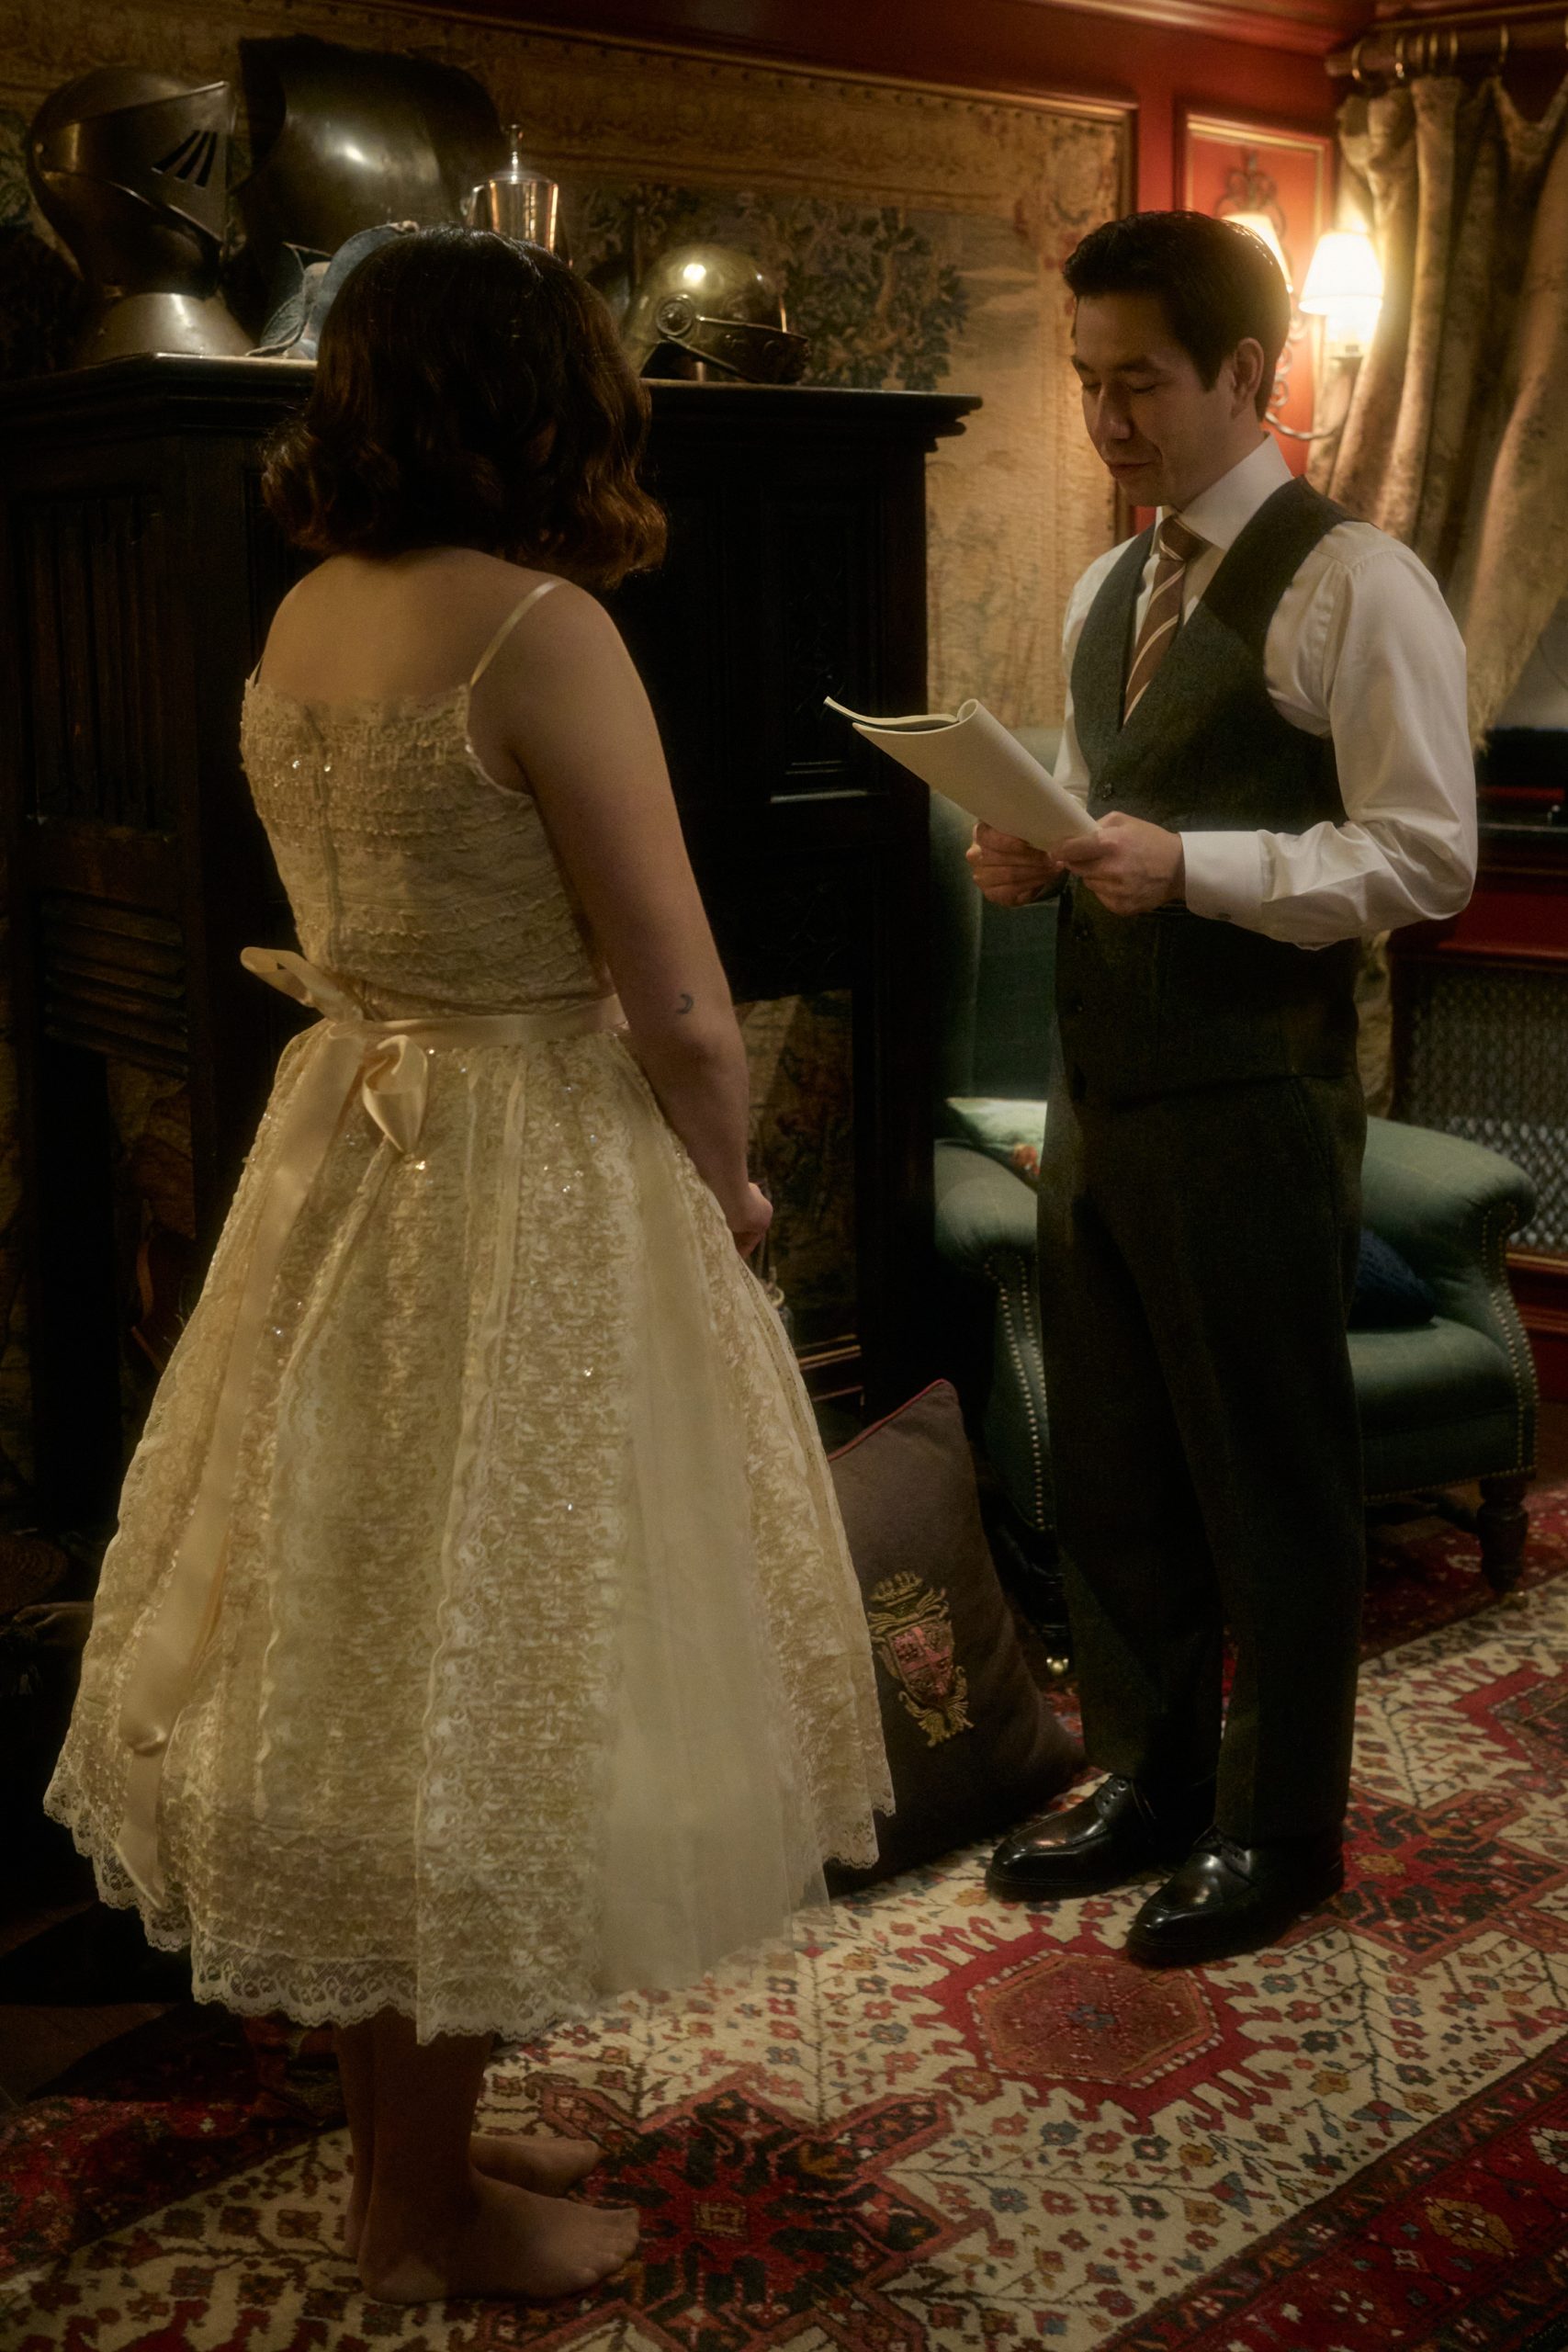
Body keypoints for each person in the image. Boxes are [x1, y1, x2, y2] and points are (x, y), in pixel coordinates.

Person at [46, 228, 891, 2304]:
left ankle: (408, 2138)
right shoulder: (545, 624)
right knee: (483, 1683)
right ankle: (416, 2209)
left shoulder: (308, 609)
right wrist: (737, 1189)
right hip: (517, 1169)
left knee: (360, 1664)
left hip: (343, 1144)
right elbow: (680, 998)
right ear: (547, 399)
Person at [975, 211, 1475, 1966]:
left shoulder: (1359, 582)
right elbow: (1109, 780)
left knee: (1268, 1473)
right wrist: (1034, 843)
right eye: (1088, 383)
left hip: (1258, 1097)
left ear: (1250, 376)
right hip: (1098, 1089)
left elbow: (1426, 858)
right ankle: (1148, 1776)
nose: (1108, 421)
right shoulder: (1109, 588)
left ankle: (1283, 1828)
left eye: (1143, 383)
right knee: (1113, 1465)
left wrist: (1196, 870)